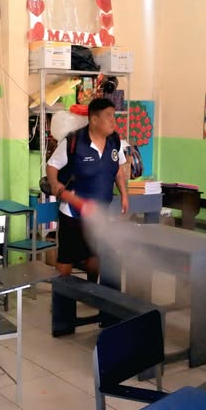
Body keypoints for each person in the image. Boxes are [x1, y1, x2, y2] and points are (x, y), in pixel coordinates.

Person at [46, 98, 129, 282]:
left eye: (114, 116)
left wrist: (124, 194)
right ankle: (62, 295)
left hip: (100, 213)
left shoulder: (114, 141)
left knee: (94, 255)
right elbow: (52, 166)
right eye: (108, 116)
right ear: (94, 119)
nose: (113, 121)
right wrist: (54, 183)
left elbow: (118, 170)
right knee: (66, 258)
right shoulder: (74, 142)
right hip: (72, 213)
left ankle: (92, 291)